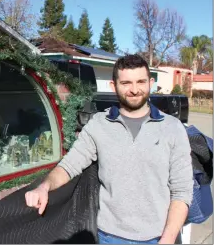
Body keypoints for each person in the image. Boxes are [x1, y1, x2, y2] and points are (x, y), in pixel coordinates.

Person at [25, 54, 193, 244]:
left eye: (141, 81)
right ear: (114, 86)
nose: (135, 90)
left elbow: (182, 191)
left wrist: (168, 238)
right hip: (108, 236)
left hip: (158, 237)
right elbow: (70, 165)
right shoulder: (99, 125)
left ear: (151, 83)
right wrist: (44, 187)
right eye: (126, 83)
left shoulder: (172, 128)